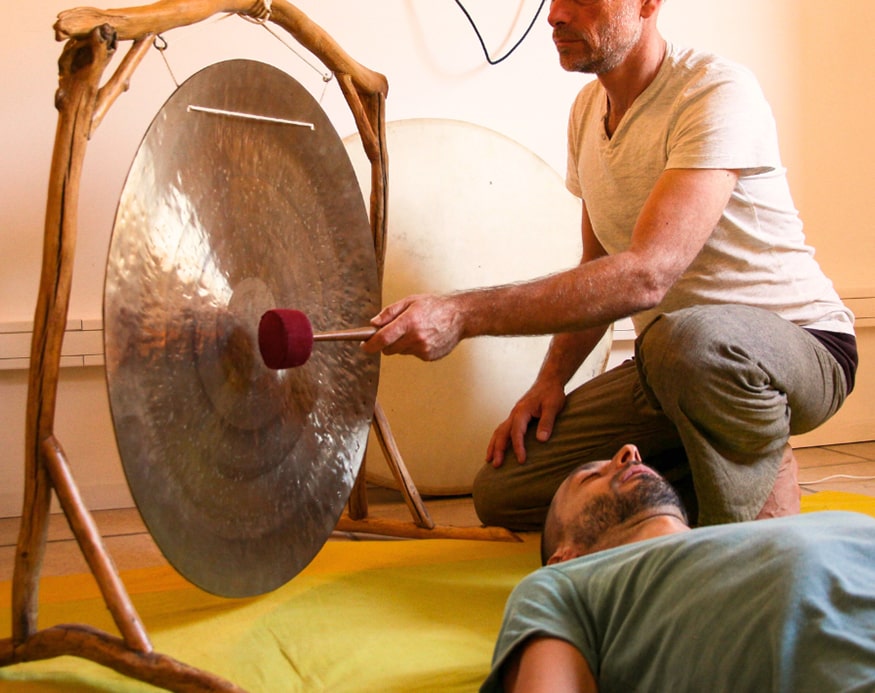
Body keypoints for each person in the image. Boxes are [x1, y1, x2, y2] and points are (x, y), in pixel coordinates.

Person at [362, 0, 857, 530]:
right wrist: (549, 381)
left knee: (684, 341)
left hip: (798, 347)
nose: (555, 15)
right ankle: (727, 459)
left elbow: (646, 274)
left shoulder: (715, 91)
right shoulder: (584, 113)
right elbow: (598, 267)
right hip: (672, 365)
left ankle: (741, 509)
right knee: (509, 492)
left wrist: (461, 314)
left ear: (647, 4)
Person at [479, 444, 875, 692]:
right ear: (566, 554)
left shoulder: (803, 526)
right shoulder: (560, 584)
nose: (629, 452)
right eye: (590, 477)